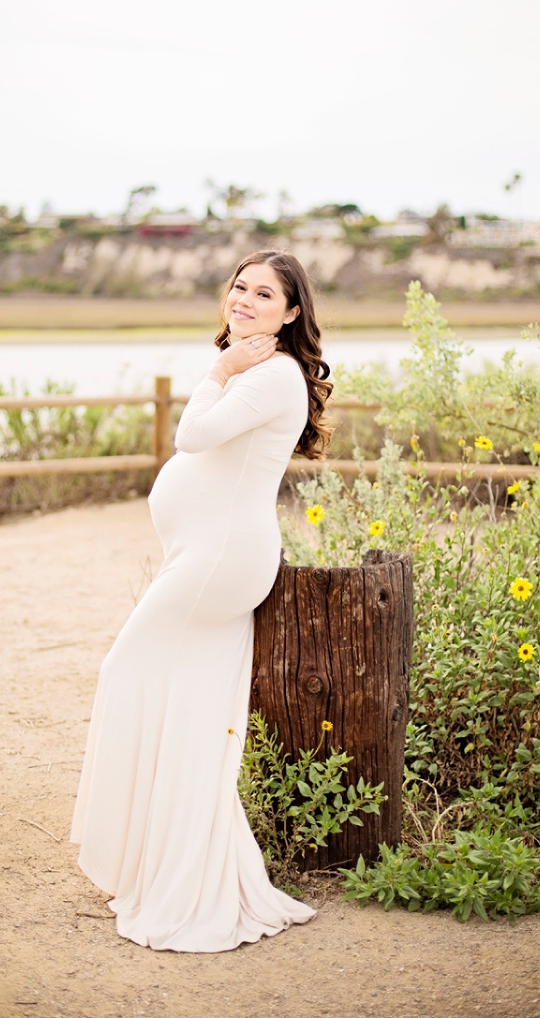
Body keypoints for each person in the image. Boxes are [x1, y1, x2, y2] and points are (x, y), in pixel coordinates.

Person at [70, 249, 333, 952]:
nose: (244, 299)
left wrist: (218, 370)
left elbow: (192, 435)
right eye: (239, 286)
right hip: (208, 557)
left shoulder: (271, 375)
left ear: (292, 312)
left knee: (125, 672)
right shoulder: (260, 372)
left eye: (264, 293)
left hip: (219, 563)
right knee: (191, 714)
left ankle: (167, 871)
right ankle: (172, 867)